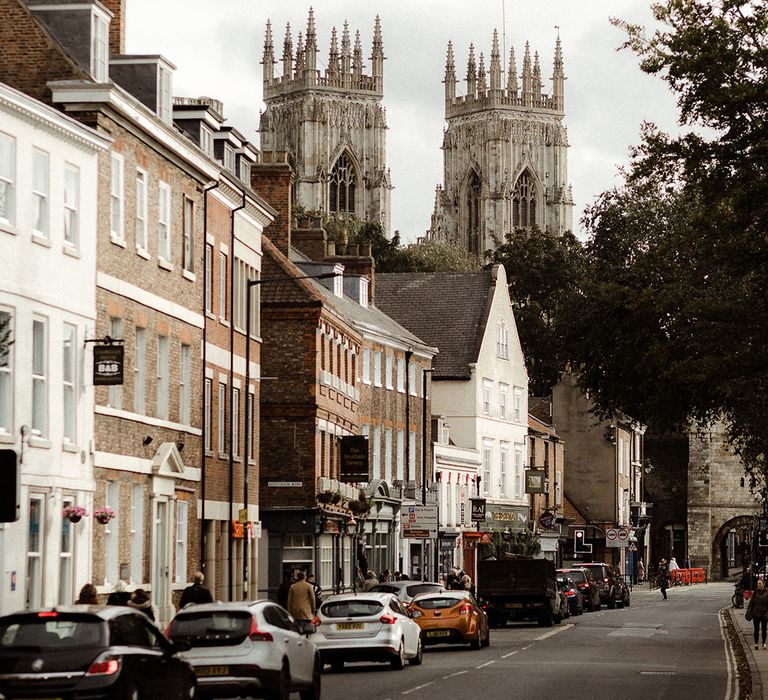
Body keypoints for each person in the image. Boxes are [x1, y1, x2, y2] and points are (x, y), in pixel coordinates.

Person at [747, 579, 768, 649]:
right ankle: (756, 643)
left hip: (764, 614)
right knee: (756, 629)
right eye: (758, 583)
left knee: (764, 629)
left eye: (760, 583)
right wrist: (749, 610)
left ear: (763, 584)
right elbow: (751, 602)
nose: (758, 585)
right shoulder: (755, 592)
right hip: (756, 613)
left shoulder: (767, 592)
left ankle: (764, 643)